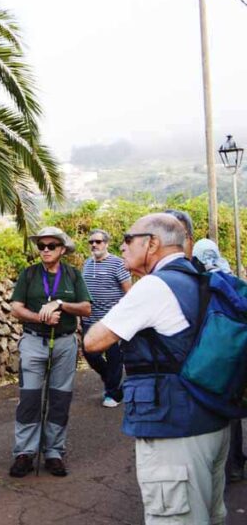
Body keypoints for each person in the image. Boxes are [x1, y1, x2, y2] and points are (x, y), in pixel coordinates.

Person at [86, 214, 229, 524]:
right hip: (212, 422)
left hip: (174, 431)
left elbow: (94, 341)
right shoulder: (200, 278)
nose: (121, 248)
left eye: (127, 239)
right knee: (211, 515)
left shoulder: (154, 286)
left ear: (151, 243)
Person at [8, 226, 91, 478]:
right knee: (30, 399)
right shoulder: (29, 274)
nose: (44, 250)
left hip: (64, 344)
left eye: (51, 246)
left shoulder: (73, 275)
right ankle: (25, 453)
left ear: (62, 249)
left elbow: (86, 308)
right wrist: (40, 317)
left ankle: (54, 452)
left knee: (59, 399)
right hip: (34, 341)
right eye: (41, 246)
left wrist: (61, 304)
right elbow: (16, 308)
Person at [191, 238, 244, 484]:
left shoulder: (199, 282)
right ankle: (234, 465)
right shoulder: (232, 280)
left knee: (210, 405)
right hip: (235, 353)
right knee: (232, 408)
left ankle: (215, 467)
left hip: (209, 355)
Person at [81, 229, 131, 407]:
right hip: (89, 320)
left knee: (114, 358)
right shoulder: (87, 264)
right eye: (91, 242)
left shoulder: (117, 264)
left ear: (106, 243)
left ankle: (112, 394)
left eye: (98, 242)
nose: (94, 245)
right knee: (89, 353)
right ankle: (109, 379)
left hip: (112, 322)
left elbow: (128, 291)